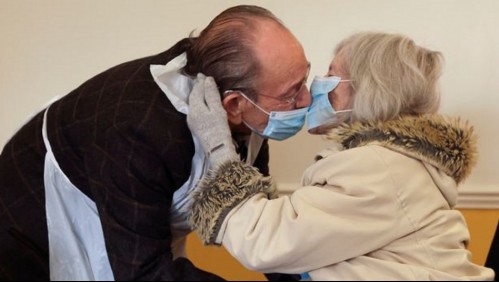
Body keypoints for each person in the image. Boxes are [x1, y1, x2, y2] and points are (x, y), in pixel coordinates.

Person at [0, 5, 311, 281]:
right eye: (292, 92)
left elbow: (258, 225)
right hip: (32, 221)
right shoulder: (138, 134)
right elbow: (143, 271)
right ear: (233, 105)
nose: (307, 100)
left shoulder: (243, 105)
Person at [186, 31, 496, 280]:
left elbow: (265, 243)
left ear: (371, 90)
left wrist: (218, 148)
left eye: (332, 75)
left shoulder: (380, 166)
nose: (314, 90)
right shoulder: (391, 160)